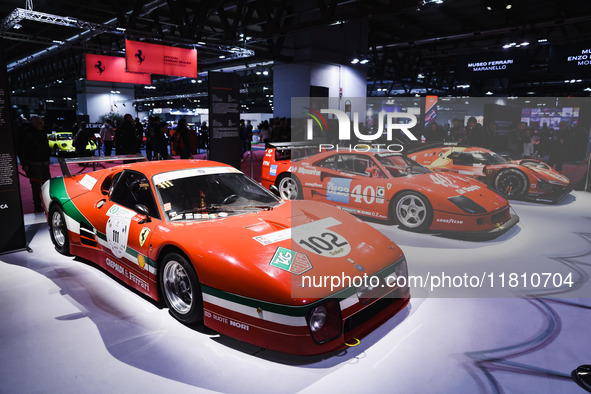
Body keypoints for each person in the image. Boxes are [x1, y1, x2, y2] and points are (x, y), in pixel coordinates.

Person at [17, 116, 51, 212]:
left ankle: (46, 202)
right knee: (36, 185)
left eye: (42, 122)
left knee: (46, 183)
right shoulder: (26, 133)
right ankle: (37, 204)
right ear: (33, 123)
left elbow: (45, 145)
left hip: (44, 161)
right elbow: (21, 149)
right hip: (34, 162)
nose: (42, 125)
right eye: (40, 123)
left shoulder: (42, 132)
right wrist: (24, 163)